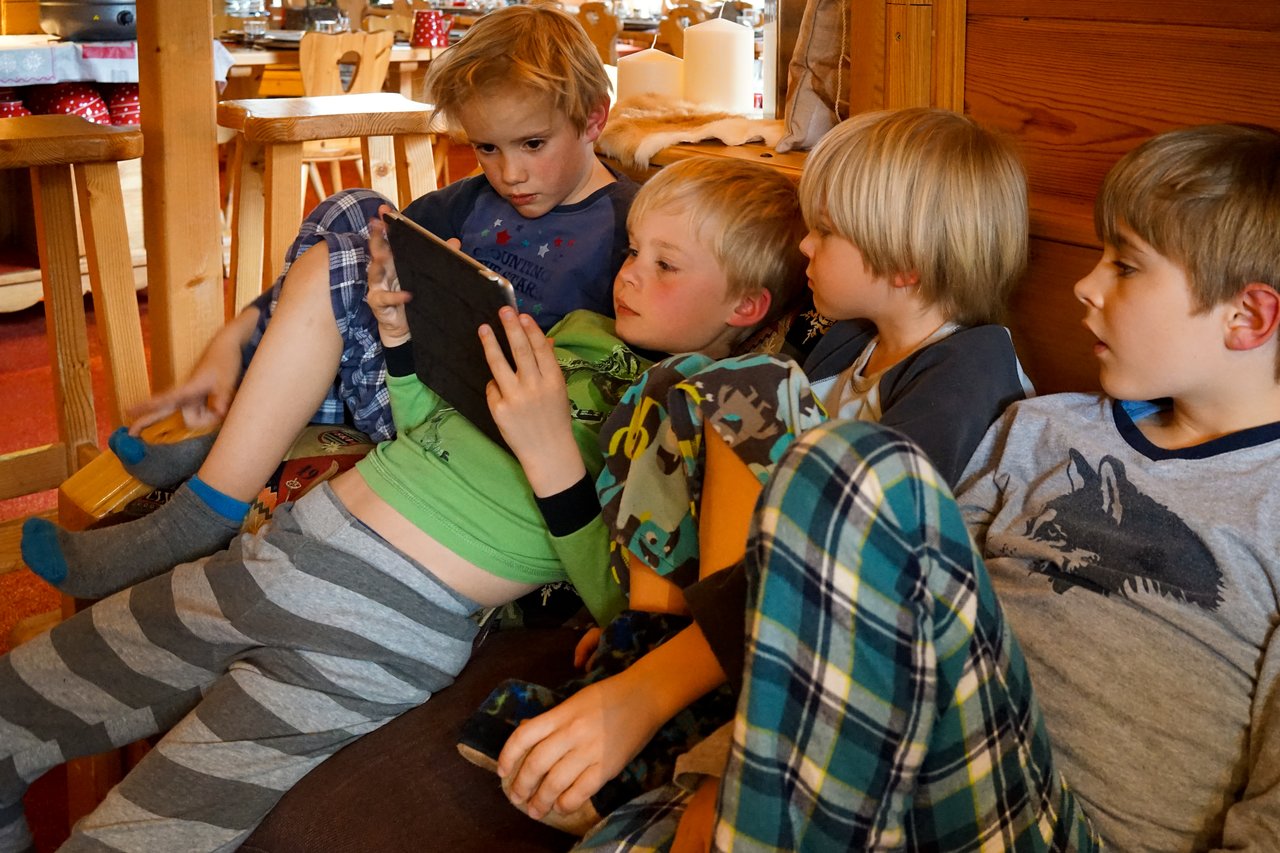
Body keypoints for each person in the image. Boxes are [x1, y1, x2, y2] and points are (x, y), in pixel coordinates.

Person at [0, 156, 808, 853]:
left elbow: (618, 601)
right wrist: (401, 348)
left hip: (375, 633)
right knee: (10, 709)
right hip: (273, 558)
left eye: (666, 265)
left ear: (745, 306)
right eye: (633, 250)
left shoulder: (695, 402)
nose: (629, 273)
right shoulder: (584, 331)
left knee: (127, 837)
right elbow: (433, 427)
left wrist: (553, 454)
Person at [579, 123, 1280, 851]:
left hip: (1059, 830)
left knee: (858, 463)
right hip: (914, 774)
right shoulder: (1043, 430)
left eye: (1126, 266)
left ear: (1248, 316)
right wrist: (721, 773)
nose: (1086, 283)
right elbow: (891, 617)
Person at [485, 107, 1035, 833]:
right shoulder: (849, 343)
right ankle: (646, 639)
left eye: (826, 231)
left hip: (855, 628)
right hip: (763, 594)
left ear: (904, 265)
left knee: (747, 386)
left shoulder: (969, 369)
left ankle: (681, 697)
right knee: (684, 383)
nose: (806, 243)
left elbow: (859, 534)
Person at [22, 3, 640, 598]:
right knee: (356, 210)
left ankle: (201, 513)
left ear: (593, 119)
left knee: (344, 261)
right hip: (415, 379)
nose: (509, 174)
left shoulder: (629, 230)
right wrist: (234, 340)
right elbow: (355, 261)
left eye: (532, 144)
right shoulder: (478, 198)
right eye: (486, 148)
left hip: (474, 433)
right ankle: (243, 433)